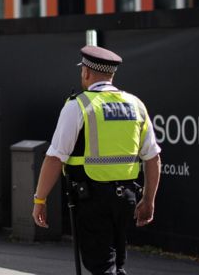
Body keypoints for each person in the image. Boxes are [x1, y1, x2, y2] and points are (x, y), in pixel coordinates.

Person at [32, 46, 161, 275]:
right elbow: (152, 157)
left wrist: (39, 199)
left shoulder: (78, 105)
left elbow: (54, 158)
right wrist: (148, 199)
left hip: (91, 198)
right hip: (127, 197)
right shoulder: (135, 104)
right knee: (116, 263)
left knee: (101, 265)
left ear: (86, 73)